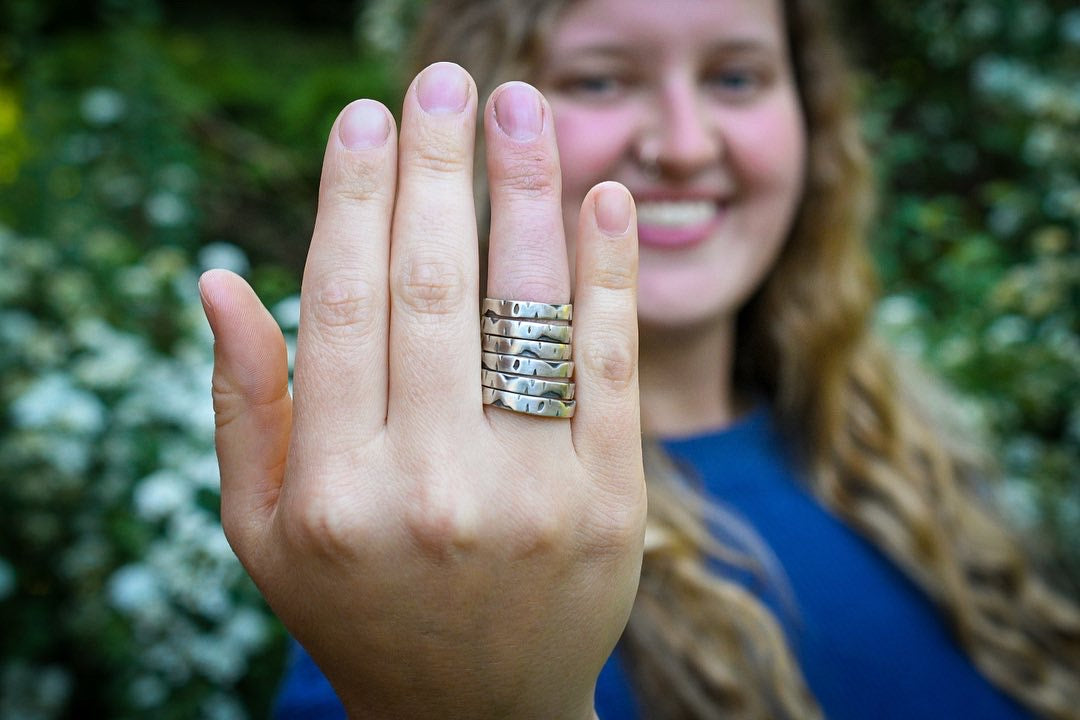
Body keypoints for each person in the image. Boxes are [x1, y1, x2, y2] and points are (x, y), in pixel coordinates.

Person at [197, 0, 1080, 718]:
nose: (687, 143)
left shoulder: (910, 460)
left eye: (736, 76)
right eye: (601, 78)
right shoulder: (438, 557)